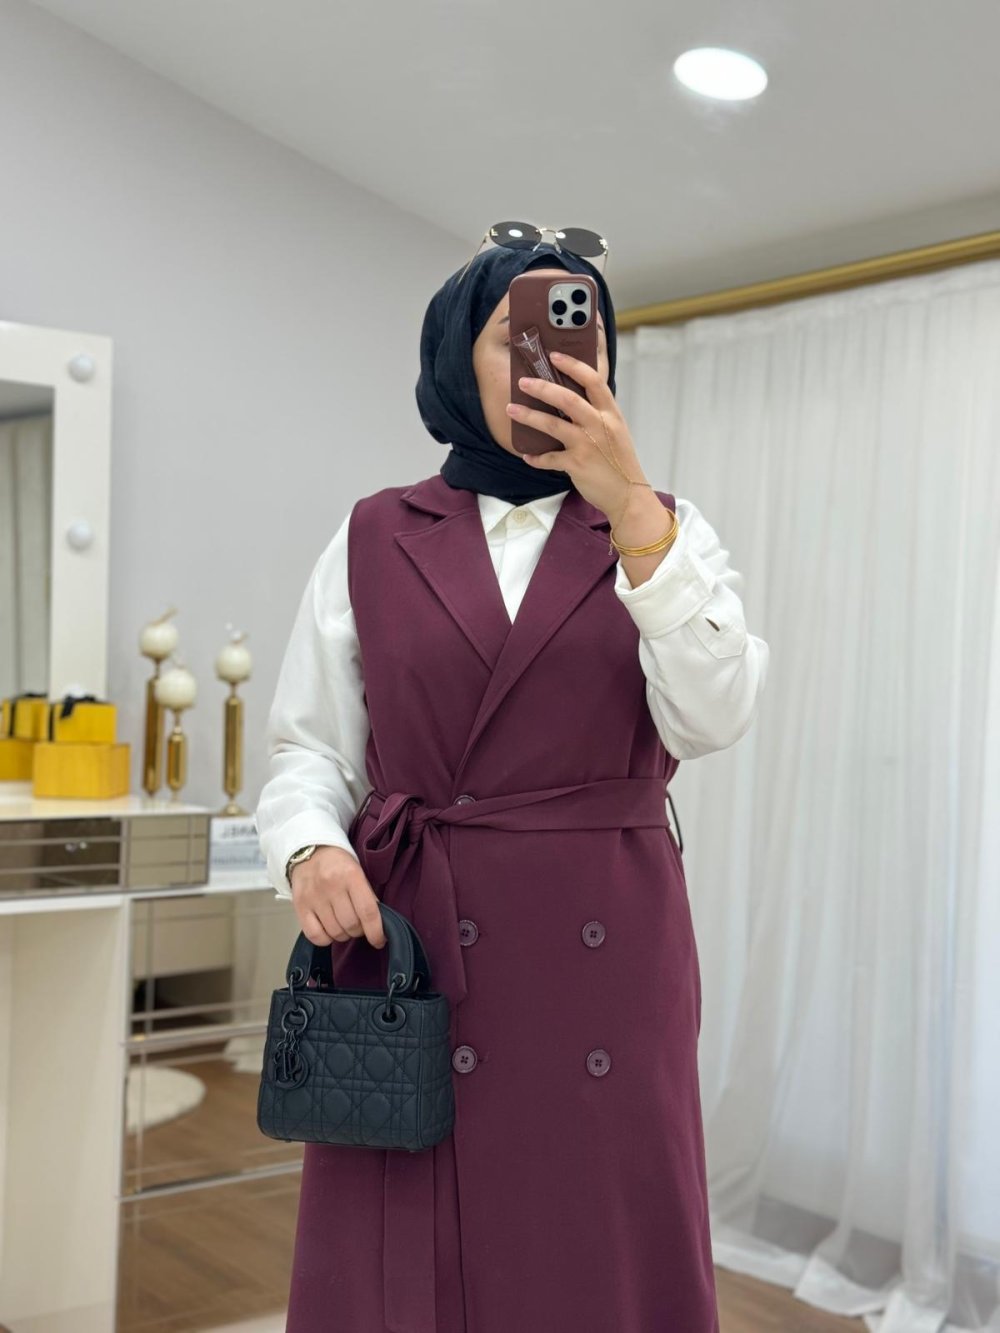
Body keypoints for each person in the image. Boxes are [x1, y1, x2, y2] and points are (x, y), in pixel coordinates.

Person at [256, 240, 769, 1333]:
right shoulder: (374, 533)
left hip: (604, 959)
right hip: (416, 946)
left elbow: (715, 715)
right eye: (514, 337)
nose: (551, 363)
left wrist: (633, 513)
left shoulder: (664, 529)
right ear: (457, 354)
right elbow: (310, 749)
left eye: (579, 337)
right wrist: (309, 844)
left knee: (598, 1237)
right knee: (408, 1251)